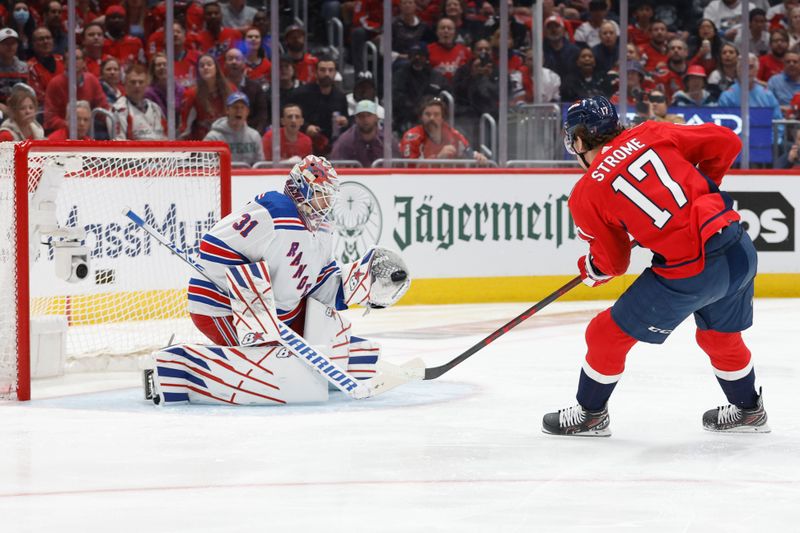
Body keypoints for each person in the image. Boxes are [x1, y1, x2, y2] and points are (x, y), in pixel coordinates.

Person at [543, 95, 769, 437]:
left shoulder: (586, 193)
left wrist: (592, 268)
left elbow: (614, 263)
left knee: (604, 334)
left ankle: (590, 414)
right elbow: (728, 142)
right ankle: (749, 410)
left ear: (577, 139)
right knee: (720, 337)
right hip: (739, 247)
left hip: (692, 271)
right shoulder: (651, 131)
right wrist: (705, 187)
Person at [149, 155, 408, 405]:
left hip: (280, 314)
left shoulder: (323, 227)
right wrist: (249, 293)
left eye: (330, 193)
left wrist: (359, 287)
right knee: (274, 358)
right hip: (223, 309)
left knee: (323, 329)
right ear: (301, 188)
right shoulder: (274, 211)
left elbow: (318, 282)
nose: (327, 200)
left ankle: (339, 355)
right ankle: (180, 365)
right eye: (321, 192)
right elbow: (212, 244)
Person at [399, 96, 488, 164]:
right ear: (421, 117)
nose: (432, 118)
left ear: (443, 118)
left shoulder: (452, 134)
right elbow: (410, 167)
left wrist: (477, 157)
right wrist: (438, 158)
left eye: (436, 114)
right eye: (427, 114)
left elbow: (468, 152)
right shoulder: (412, 136)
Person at [288, 57, 349, 155]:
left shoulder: (340, 96)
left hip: (331, 145)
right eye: (323, 70)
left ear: (335, 73)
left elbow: (346, 121)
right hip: (303, 143)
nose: (327, 74)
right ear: (316, 72)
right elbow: (289, 118)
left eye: (330, 70)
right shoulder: (301, 93)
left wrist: (344, 122)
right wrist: (306, 127)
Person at [43, 48, 108, 134]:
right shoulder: (55, 84)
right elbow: (50, 118)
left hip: (88, 129)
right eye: (70, 59)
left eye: (77, 58)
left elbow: (103, 108)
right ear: (64, 63)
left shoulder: (92, 80)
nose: (73, 62)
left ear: (84, 62)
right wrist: (70, 125)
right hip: (63, 131)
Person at [179, 53, 233, 140]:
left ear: (216, 68)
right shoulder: (191, 94)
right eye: (202, 65)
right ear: (198, 71)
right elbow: (185, 125)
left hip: (228, 140)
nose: (206, 67)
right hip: (202, 143)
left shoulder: (231, 89)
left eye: (209, 64)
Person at [330, 100, 398, 167]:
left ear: (376, 118)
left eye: (369, 115)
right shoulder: (344, 141)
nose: (365, 119)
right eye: (361, 116)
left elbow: (398, 166)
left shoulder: (388, 141)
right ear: (355, 119)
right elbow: (336, 168)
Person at [204, 92, 264, 166]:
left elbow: (260, 164)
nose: (239, 110)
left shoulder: (254, 136)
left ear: (247, 112)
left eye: (242, 107)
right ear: (227, 110)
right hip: (222, 176)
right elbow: (206, 165)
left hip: (248, 176)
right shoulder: (213, 137)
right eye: (235, 107)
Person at [110, 64, 167, 140]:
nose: (137, 86)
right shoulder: (119, 109)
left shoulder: (155, 108)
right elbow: (119, 143)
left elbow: (166, 137)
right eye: (133, 82)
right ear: (125, 84)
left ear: (147, 84)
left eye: (141, 82)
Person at [224, 47, 269, 134]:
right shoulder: (219, 87)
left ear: (244, 63)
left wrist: (253, 136)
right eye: (230, 59)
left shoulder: (256, 87)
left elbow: (262, 116)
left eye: (237, 59)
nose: (234, 62)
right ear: (225, 64)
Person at [0, 28, 29, 113]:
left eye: (13, 43)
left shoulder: (24, 67)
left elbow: (27, 92)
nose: (10, 46)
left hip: (20, 108)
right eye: (5, 43)